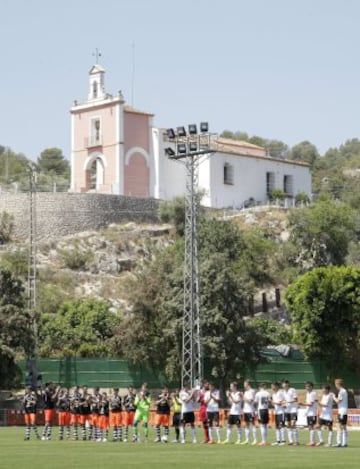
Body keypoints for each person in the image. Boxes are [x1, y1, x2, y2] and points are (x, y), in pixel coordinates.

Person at [300, 381, 318, 447]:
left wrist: (302, 404)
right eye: (306, 386)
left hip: (312, 413)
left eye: (308, 386)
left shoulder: (313, 393)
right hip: (309, 413)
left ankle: (313, 442)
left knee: (311, 427)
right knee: (310, 427)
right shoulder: (308, 393)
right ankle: (312, 441)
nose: (307, 388)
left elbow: (311, 404)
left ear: (311, 387)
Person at [282, 379, 299, 445]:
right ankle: (291, 441)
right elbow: (283, 401)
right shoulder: (283, 392)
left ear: (288, 384)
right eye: (283, 383)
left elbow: (296, 399)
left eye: (286, 383)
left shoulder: (292, 390)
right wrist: (283, 404)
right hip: (287, 410)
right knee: (288, 425)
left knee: (293, 424)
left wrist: (287, 402)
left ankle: (296, 441)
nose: (285, 384)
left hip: (293, 409)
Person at [241, 379, 257, 445]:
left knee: (253, 424)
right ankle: (247, 440)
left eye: (245, 384)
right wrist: (243, 409)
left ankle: (255, 440)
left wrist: (243, 397)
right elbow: (245, 402)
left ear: (248, 384)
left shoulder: (252, 391)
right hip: (246, 410)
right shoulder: (246, 392)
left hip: (250, 410)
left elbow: (250, 401)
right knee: (246, 425)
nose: (244, 385)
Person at [333, 378, 348, 447]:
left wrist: (333, 397)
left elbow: (338, 401)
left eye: (335, 384)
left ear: (338, 384)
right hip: (344, 411)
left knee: (339, 426)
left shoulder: (341, 391)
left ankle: (339, 442)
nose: (335, 386)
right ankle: (344, 443)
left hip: (342, 411)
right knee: (343, 427)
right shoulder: (344, 391)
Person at [270, 382, 286, 446]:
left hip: (281, 412)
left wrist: (271, 401)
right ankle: (278, 441)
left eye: (272, 386)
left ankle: (283, 441)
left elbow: (280, 403)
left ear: (276, 386)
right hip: (276, 412)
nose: (271, 388)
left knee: (281, 426)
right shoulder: (273, 394)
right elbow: (274, 404)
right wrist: (271, 402)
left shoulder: (280, 393)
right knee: (277, 427)